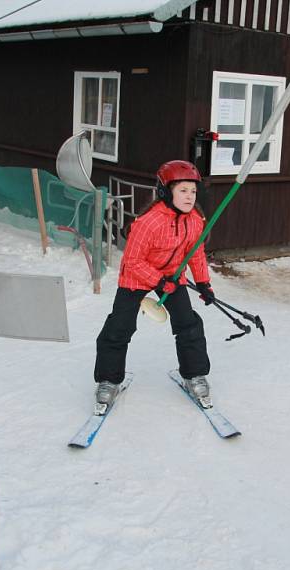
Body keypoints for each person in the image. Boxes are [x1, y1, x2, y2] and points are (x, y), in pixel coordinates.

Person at [93, 160, 216, 408]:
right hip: (137, 276)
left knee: (188, 324)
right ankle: (108, 380)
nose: (189, 196)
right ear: (165, 191)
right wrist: (159, 281)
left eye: (193, 191)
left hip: (172, 275)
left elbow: (196, 253)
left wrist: (203, 283)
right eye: (183, 190)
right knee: (119, 326)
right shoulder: (149, 222)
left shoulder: (195, 220)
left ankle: (194, 375)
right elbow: (132, 261)